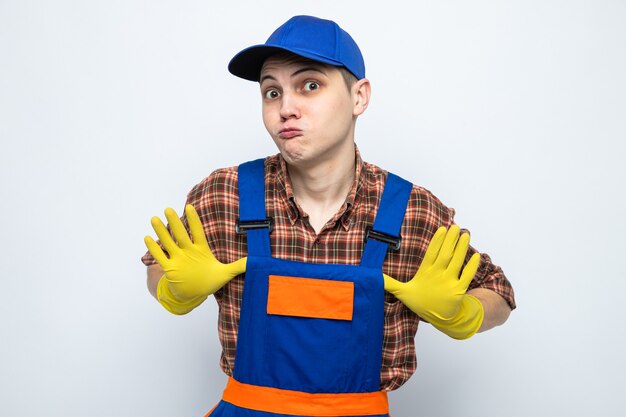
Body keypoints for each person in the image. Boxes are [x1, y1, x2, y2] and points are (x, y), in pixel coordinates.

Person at [142, 15, 516, 417]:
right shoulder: (225, 195)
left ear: (359, 97)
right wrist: (170, 289)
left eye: (311, 85)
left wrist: (465, 313)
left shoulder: (410, 211)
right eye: (271, 92)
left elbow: (499, 291)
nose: (286, 108)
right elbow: (159, 267)